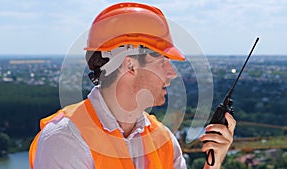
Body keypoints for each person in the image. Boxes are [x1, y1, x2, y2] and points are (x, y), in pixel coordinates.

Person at [29, 2, 236, 169]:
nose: (172, 73)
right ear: (130, 65)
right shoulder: (66, 141)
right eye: (162, 61)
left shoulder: (162, 140)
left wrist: (213, 163)